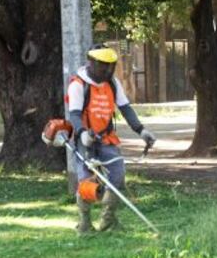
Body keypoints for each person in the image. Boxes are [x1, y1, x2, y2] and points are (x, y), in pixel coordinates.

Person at [66, 44, 155, 233]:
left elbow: (125, 108)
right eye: (103, 65)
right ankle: (84, 222)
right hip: (85, 140)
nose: (108, 70)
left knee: (117, 175)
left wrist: (141, 130)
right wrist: (82, 134)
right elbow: (73, 114)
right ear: (91, 63)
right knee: (87, 183)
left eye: (111, 65)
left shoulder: (113, 84)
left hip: (107, 138)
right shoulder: (78, 85)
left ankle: (108, 220)